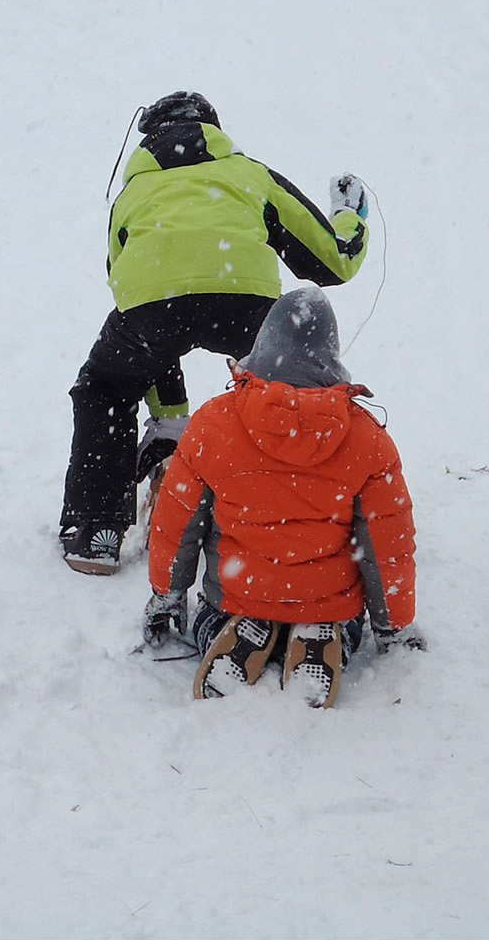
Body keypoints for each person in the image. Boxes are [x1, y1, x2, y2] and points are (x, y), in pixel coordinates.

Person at [59, 91, 370, 575]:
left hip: (152, 306)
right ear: (214, 130)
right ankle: (315, 518)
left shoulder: (131, 196)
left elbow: (128, 287)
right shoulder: (248, 174)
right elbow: (334, 262)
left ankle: (96, 530)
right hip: (244, 301)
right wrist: (351, 214)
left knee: (107, 386)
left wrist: (169, 416)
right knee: (289, 394)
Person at [139, 289, 423, 708]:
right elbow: (386, 545)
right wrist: (393, 626)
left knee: (213, 617)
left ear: (262, 344)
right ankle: (318, 637)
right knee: (341, 624)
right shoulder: (367, 438)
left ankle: (232, 630)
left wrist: (167, 594)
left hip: (236, 594)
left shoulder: (215, 422)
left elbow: (178, 522)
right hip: (330, 604)